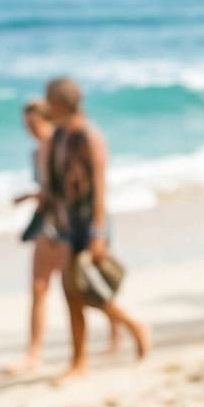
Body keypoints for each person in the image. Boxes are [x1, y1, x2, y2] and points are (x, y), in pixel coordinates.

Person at [41, 76, 149, 381]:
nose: (47, 105)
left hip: (88, 224)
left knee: (87, 291)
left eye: (49, 99)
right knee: (72, 293)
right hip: (65, 224)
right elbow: (58, 185)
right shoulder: (59, 135)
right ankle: (79, 361)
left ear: (61, 103)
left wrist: (97, 233)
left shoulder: (89, 137)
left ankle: (132, 326)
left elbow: (100, 189)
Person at [6, 100, 69, 375]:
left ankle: (127, 326)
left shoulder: (63, 150)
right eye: (27, 126)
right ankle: (34, 352)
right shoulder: (37, 153)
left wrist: (31, 196)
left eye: (34, 124)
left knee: (79, 289)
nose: (31, 131)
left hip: (66, 226)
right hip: (47, 225)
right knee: (39, 287)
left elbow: (66, 191)